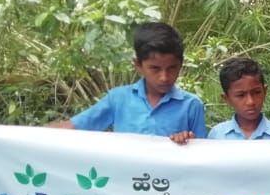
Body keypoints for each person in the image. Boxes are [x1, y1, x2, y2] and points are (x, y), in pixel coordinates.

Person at [50, 22, 206, 144]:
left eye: (172, 68)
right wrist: (35, 137)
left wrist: (189, 142)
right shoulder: (118, 99)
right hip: (125, 176)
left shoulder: (192, 105)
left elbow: (203, 155)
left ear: (181, 65)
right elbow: (75, 127)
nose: (164, 77)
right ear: (138, 65)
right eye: (155, 68)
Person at [208, 58, 270, 140]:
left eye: (256, 92)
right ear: (227, 99)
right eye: (241, 95)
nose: (250, 102)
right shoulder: (217, 135)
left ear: (264, 91)